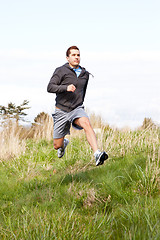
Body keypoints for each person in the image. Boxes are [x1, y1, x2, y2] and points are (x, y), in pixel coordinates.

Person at [47, 46, 108, 166]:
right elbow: (50, 87)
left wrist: (79, 103)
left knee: (86, 123)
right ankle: (63, 144)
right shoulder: (60, 71)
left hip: (76, 109)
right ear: (67, 58)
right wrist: (66, 88)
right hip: (61, 110)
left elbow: (82, 92)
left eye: (78, 55)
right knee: (56, 145)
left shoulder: (85, 74)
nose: (76, 57)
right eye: (73, 55)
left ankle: (97, 154)